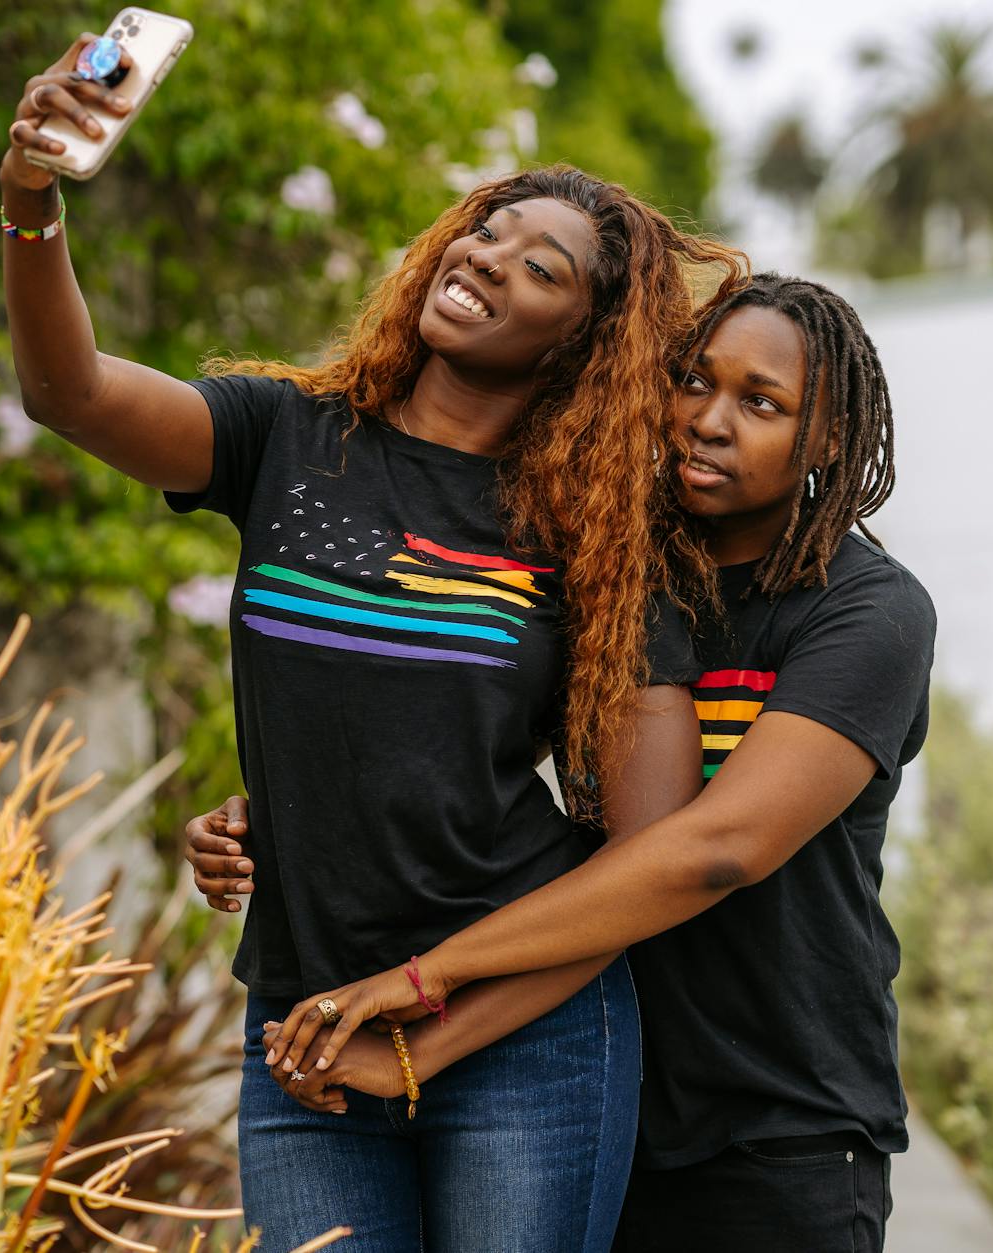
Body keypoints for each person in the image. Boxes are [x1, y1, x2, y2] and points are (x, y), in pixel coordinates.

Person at [2, 38, 743, 1252]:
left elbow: (639, 872)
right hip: (305, 1029)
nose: (484, 258)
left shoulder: (596, 536)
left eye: (538, 266)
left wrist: (424, 1034)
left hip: (519, 1041)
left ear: (580, 339)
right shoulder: (287, 437)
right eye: (484, 233)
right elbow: (67, 392)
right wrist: (30, 198)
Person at [195, 274, 933, 1250]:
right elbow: (462, 739)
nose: (710, 420)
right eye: (693, 381)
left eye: (762, 403)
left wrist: (422, 983)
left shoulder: (865, 611)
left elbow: (716, 847)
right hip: (595, 1088)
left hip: (778, 1125)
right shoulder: (608, 569)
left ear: (827, 439)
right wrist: (293, 807)